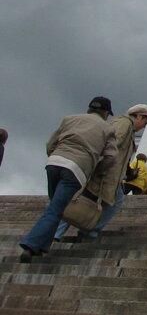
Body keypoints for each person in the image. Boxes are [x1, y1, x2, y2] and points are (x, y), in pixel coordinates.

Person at [18, 97, 118, 263]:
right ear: (106, 113)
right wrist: (95, 169)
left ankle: (42, 246)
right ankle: (30, 245)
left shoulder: (69, 119)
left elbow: (50, 143)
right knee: (55, 209)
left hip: (54, 162)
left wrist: (55, 156)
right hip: (76, 169)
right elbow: (111, 157)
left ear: (89, 109)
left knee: (56, 206)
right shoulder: (107, 129)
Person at [56, 103, 147, 243]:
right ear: (138, 116)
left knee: (83, 200)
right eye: (145, 121)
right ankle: (88, 230)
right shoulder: (125, 124)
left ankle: (64, 232)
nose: (145, 126)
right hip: (107, 173)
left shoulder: (124, 125)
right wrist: (103, 166)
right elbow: (113, 145)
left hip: (109, 172)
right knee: (90, 200)